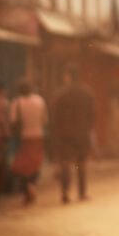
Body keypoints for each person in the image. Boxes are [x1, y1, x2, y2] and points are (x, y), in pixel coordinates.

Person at [51, 64, 96, 203]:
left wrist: (56, 134)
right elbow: (93, 115)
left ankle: (65, 193)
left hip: (65, 135)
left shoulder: (60, 94)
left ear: (68, 77)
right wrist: (88, 128)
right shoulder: (87, 93)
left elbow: (55, 116)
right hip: (82, 133)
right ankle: (81, 193)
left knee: (65, 164)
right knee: (81, 164)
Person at [9, 77, 48, 205]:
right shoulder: (39, 100)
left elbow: (13, 121)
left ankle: (27, 189)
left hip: (23, 137)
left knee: (23, 165)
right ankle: (33, 184)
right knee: (35, 162)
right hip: (38, 136)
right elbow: (45, 120)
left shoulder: (17, 102)